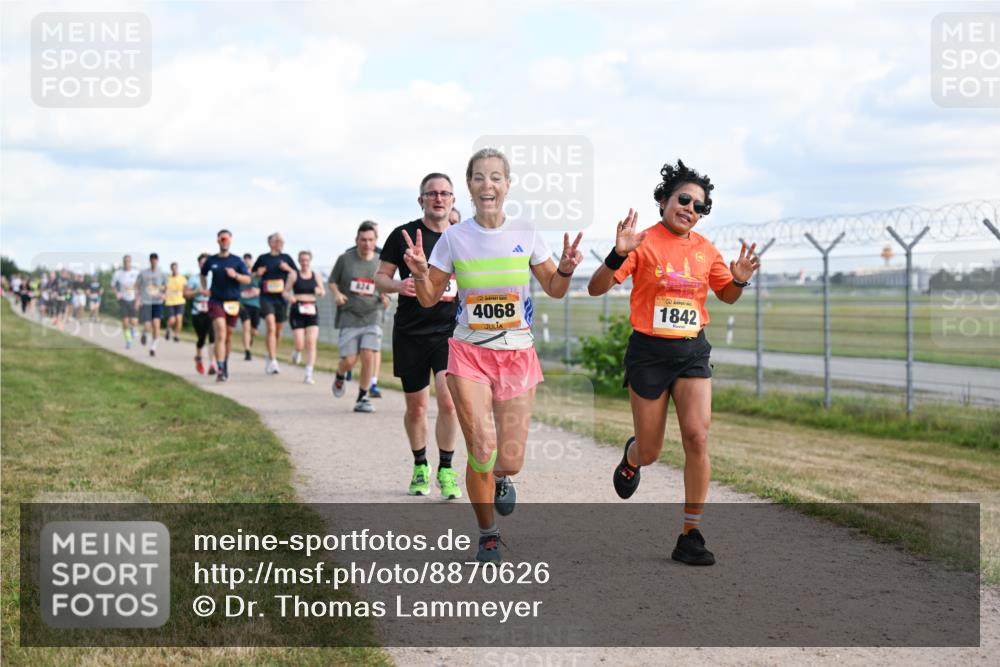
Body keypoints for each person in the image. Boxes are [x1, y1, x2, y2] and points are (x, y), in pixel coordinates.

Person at [404, 148, 583, 562]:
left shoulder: (527, 231)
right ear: (469, 186)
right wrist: (420, 273)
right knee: (481, 447)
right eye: (479, 177)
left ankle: (499, 479)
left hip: (517, 353)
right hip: (469, 353)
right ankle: (488, 532)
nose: (488, 185)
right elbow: (429, 298)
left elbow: (555, 289)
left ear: (508, 185)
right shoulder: (454, 238)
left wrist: (566, 268)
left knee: (510, 461)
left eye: (496, 177)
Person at [587, 159, 760, 566]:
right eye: (684, 199)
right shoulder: (641, 242)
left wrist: (737, 279)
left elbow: (727, 295)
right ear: (664, 199)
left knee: (697, 437)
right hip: (649, 354)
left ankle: (690, 534)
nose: (690, 209)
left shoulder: (706, 250)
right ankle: (633, 458)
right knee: (651, 450)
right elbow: (596, 288)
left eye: (700, 206)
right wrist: (616, 255)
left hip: (691, 352)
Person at [376, 172, 462, 499]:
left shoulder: (463, 238)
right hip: (411, 332)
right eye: (432, 193)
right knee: (416, 408)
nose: (438, 198)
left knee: (449, 401)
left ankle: (446, 468)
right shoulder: (403, 235)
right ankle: (420, 464)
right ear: (421, 199)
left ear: (453, 200)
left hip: (449, 331)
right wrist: (398, 284)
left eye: (444, 193)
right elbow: (380, 277)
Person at [330, 221, 386, 413]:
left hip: (373, 314)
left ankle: (363, 397)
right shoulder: (345, 259)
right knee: (349, 360)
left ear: (375, 240)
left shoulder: (381, 262)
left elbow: (386, 284)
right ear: (356, 240)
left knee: (368, 355)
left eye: (370, 240)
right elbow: (332, 281)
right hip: (350, 315)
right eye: (363, 240)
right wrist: (337, 294)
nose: (366, 243)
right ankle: (340, 374)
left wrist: (386, 296)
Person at [201, 230, 251, 381]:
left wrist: (235, 275)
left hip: (233, 302)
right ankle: (220, 368)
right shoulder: (211, 260)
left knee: (228, 336)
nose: (224, 241)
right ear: (218, 240)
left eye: (227, 239)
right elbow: (203, 274)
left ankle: (225, 364)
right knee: (221, 333)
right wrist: (205, 288)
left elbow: (247, 279)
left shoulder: (237, 261)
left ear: (230, 241)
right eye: (222, 239)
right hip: (216, 301)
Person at [252, 234, 298, 375]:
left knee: (278, 331)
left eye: (282, 241)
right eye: (277, 240)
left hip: (281, 298)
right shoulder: (262, 258)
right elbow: (251, 274)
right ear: (270, 243)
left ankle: (271, 354)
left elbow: (297, 274)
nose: (280, 243)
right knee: (271, 327)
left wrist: (288, 269)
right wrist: (258, 273)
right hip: (266, 297)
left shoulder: (286, 258)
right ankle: (273, 360)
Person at [289, 250, 325, 384]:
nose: (304, 262)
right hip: (297, 309)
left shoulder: (316, 275)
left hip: (311, 309)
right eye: (302, 260)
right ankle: (297, 352)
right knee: (300, 344)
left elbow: (322, 292)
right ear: (299, 261)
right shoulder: (294, 275)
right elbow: (285, 291)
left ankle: (308, 373)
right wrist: (290, 297)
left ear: (310, 261)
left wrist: (319, 291)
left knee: (311, 342)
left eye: (307, 260)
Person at [185, 253, 217, 375]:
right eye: (201, 263)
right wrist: (197, 291)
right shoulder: (193, 279)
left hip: (212, 310)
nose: (203, 265)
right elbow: (185, 295)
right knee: (201, 338)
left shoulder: (214, 277)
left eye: (206, 263)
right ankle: (198, 358)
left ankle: (212, 363)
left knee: (212, 336)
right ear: (198, 264)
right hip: (197, 311)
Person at [136, 253, 167, 356]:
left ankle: (153, 347)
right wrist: (138, 299)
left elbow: (167, 286)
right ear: (150, 261)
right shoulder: (143, 273)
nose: (153, 261)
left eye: (155, 260)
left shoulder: (161, 273)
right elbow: (137, 286)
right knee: (147, 325)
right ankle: (144, 333)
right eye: (152, 260)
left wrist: (164, 295)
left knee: (156, 324)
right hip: (146, 302)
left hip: (158, 302)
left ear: (157, 261)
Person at [111, 255, 140, 348]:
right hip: (123, 299)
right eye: (125, 261)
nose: (127, 263)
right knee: (125, 322)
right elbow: (112, 285)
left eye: (128, 261)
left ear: (131, 262)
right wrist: (117, 294)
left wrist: (138, 299)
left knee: (134, 321)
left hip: (133, 299)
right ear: (123, 262)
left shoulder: (136, 273)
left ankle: (133, 329)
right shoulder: (118, 273)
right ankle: (128, 341)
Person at [238, 253, 262, 361]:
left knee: (254, 331)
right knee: (246, 327)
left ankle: (250, 339)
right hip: (243, 305)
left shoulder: (258, 277)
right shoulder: (240, 276)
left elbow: (264, 288)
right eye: (245, 260)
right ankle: (247, 351)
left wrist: (258, 291)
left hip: (256, 305)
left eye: (249, 260)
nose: (247, 262)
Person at [164, 262, 187, 342]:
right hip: (170, 301)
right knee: (172, 320)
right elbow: (166, 289)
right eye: (173, 268)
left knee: (179, 319)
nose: (174, 270)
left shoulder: (182, 278)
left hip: (180, 301)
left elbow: (185, 289)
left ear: (177, 268)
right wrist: (165, 295)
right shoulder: (168, 279)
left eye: (175, 268)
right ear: (171, 269)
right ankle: (168, 329)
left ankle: (176, 335)